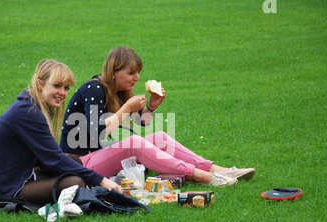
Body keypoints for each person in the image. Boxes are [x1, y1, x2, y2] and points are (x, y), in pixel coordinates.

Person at [59, 46, 255, 186]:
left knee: (159, 137)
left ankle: (218, 170)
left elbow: (141, 122)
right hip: (78, 163)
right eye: (131, 73)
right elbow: (97, 132)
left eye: (138, 72)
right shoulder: (94, 89)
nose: (136, 78)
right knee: (134, 143)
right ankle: (202, 177)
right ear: (113, 72)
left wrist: (151, 106)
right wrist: (126, 107)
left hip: (95, 155)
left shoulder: (116, 91)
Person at [0, 59, 121, 206]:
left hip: (19, 174)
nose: (62, 93)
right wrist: (100, 179)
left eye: (66, 88)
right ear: (40, 84)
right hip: (4, 185)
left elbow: (47, 158)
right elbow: (54, 159)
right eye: (57, 86)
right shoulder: (29, 112)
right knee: (74, 182)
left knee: (74, 161)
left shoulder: (36, 105)